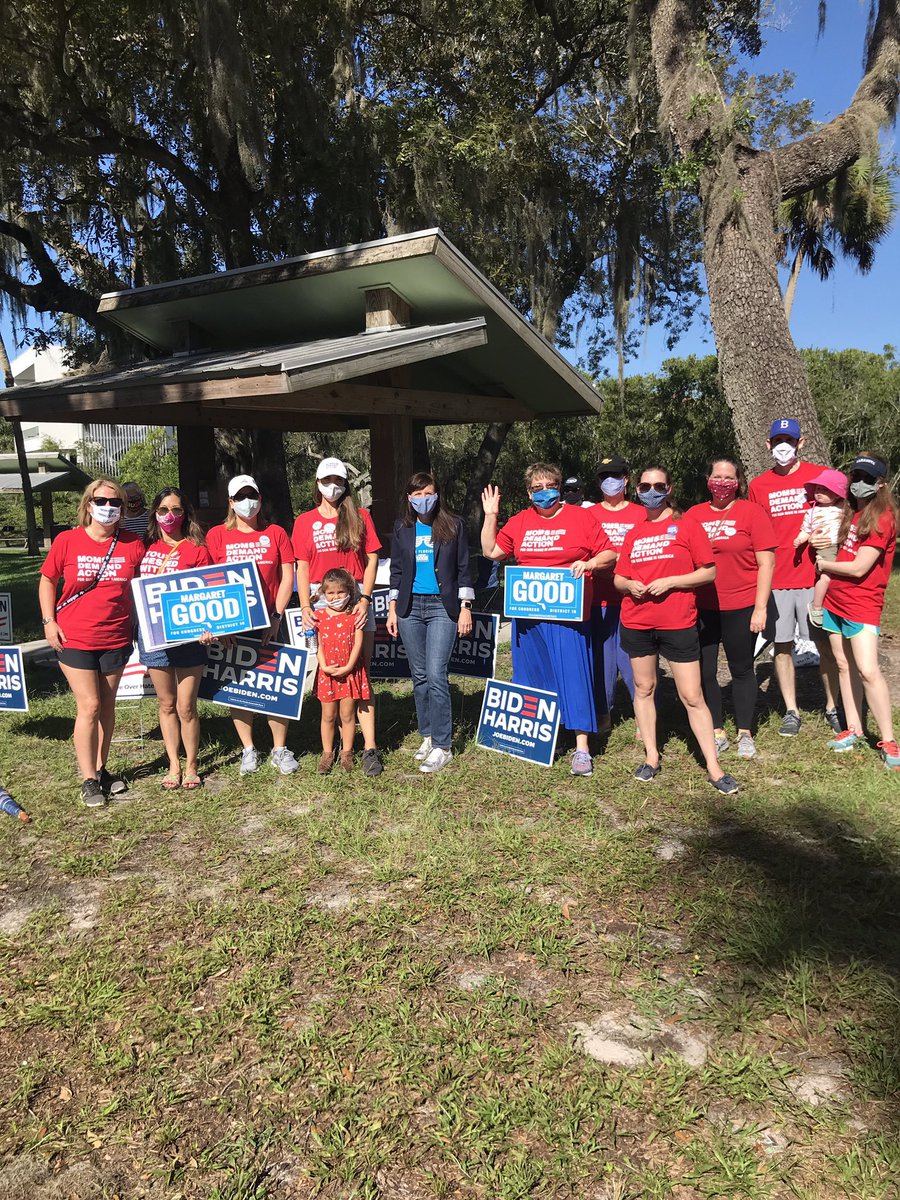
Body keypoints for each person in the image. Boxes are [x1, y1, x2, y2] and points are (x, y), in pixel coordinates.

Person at [481, 462, 615, 776]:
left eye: (549, 486)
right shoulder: (519, 521)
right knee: (533, 675)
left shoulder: (581, 517)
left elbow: (610, 554)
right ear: (529, 493)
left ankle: (582, 747)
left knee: (574, 673)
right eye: (537, 488)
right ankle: (538, 738)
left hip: (569, 613)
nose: (544, 492)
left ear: (559, 487)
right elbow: (491, 551)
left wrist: (589, 563)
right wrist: (490, 515)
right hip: (528, 617)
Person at [615, 466, 739, 794]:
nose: (651, 491)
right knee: (643, 688)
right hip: (637, 621)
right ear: (637, 489)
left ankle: (714, 767)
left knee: (692, 695)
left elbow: (708, 573)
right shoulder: (633, 533)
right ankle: (652, 757)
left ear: (669, 488)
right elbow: (618, 578)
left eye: (658, 485)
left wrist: (671, 581)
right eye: (644, 485)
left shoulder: (687, 527)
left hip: (678, 622)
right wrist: (630, 584)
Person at [38, 479, 146, 806]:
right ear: (89, 504)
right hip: (75, 636)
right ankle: (87, 779)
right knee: (90, 705)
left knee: (108, 708)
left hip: (115, 637)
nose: (109, 507)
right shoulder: (67, 541)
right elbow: (47, 580)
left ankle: (101, 770)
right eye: (102, 501)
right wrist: (48, 621)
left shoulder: (132, 544)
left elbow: (145, 586)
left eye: (117, 503)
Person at [748, 418, 840, 736]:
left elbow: (843, 513)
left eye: (790, 440)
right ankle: (791, 710)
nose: (783, 446)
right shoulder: (758, 485)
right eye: (778, 441)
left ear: (801, 443)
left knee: (826, 645)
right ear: (768, 444)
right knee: (782, 645)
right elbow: (755, 533)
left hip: (817, 577)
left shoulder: (820, 477)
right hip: (777, 578)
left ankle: (832, 706)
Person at [292, 457, 384, 777]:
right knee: (328, 672)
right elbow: (301, 567)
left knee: (360, 674)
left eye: (339, 480)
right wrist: (305, 607)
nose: (333, 486)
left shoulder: (360, 516)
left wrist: (366, 599)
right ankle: (331, 748)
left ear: (346, 484)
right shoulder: (304, 522)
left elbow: (372, 559)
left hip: (356, 598)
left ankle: (369, 747)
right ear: (317, 483)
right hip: (321, 602)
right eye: (327, 480)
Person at [207, 475, 298, 776]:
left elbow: (288, 576)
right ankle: (248, 749)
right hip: (234, 624)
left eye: (252, 494)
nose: (248, 501)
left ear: (260, 497)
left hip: (271, 621)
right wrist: (223, 624)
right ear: (231, 502)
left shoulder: (276, 533)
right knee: (239, 685)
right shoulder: (217, 536)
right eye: (241, 496)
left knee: (275, 684)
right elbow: (210, 581)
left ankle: (279, 749)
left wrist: (276, 616)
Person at [687, 457, 776, 760]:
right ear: (707, 479)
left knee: (741, 668)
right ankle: (715, 729)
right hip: (703, 607)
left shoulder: (752, 513)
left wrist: (760, 608)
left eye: (729, 478)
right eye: (717, 477)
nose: (722, 483)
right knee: (705, 671)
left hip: (742, 604)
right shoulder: (694, 515)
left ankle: (745, 731)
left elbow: (766, 563)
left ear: (738, 481)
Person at [386, 472, 475, 774]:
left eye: (429, 493)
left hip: (442, 607)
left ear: (437, 495)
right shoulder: (403, 528)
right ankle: (426, 734)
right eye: (417, 494)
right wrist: (392, 607)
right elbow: (397, 570)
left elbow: (465, 568)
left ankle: (443, 745)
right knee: (419, 675)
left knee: (437, 674)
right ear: (409, 497)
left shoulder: (453, 525)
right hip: (410, 608)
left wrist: (465, 607)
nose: (423, 499)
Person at [815, 452, 899, 769]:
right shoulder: (853, 511)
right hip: (836, 601)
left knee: (867, 669)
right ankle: (853, 729)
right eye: (855, 477)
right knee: (843, 665)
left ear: (881, 484)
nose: (858, 484)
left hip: (862, 604)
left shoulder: (883, 516)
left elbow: (860, 568)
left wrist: (824, 564)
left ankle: (889, 741)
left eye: (867, 479)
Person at [138, 488, 212, 790]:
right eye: (164, 510)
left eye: (177, 510)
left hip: (190, 637)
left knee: (186, 706)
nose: (170, 516)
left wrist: (210, 627)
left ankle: (192, 764)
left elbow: (208, 593)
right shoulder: (144, 546)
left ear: (186, 514)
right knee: (166, 705)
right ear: (155, 514)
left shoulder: (196, 549)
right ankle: (173, 763)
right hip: (153, 636)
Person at [589, 453, 646, 732]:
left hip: (633, 599)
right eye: (603, 476)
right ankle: (603, 713)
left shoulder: (641, 513)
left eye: (615, 475)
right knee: (602, 660)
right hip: (598, 599)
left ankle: (643, 715)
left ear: (626, 478)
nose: (609, 481)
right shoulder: (589, 515)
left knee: (635, 659)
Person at [315, 568, 372, 774]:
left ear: (349, 591)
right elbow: (318, 644)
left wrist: (348, 667)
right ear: (323, 593)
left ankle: (346, 753)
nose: (336, 597)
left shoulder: (355, 614)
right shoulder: (319, 615)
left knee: (347, 715)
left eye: (340, 592)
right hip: (327, 673)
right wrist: (323, 665)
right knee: (328, 716)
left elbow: (358, 644)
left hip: (349, 672)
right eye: (331, 593)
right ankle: (327, 753)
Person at [793, 468, 848, 628]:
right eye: (817, 489)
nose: (819, 492)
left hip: (844, 545)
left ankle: (835, 604)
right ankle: (816, 605)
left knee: (842, 577)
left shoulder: (843, 508)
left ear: (837, 494)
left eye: (825, 489)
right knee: (827, 577)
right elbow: (806, 529)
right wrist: (800, 540)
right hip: (827, 547)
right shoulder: (812, 512)